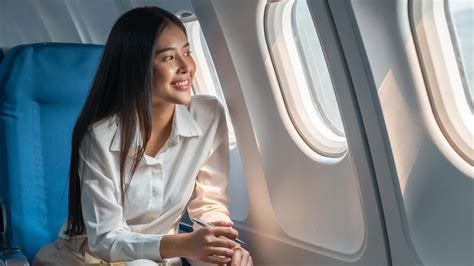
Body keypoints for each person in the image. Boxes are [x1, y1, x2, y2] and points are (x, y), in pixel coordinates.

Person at [33, 6, 252, 266]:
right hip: (90, 259)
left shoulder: (209, 116)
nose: (185, 66)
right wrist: (182, 244)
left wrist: (222, 245)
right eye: (169, 58)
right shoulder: (100, 138)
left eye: (187, 52)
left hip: (161, 256)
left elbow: (210, 202)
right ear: (137, 67)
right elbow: (105, 240)